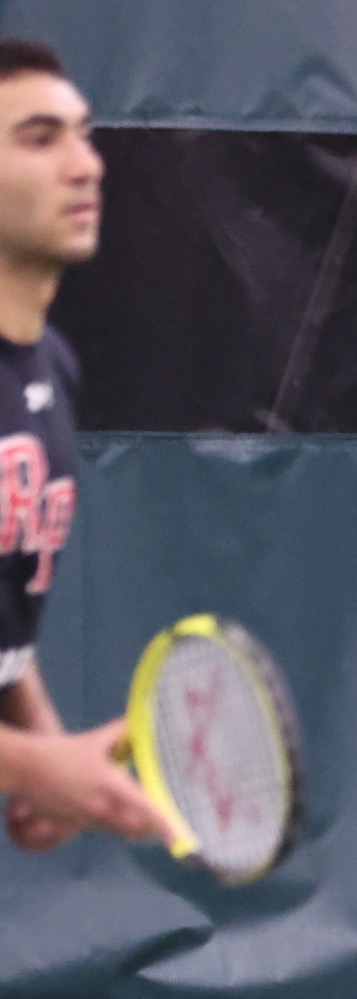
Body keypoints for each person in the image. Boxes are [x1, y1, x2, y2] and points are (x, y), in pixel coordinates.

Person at [0, 37, 172, 854]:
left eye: (85, 132)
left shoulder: (49, 366)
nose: (86, 164)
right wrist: (33, 766)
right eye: (40, 138)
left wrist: (37, 735)